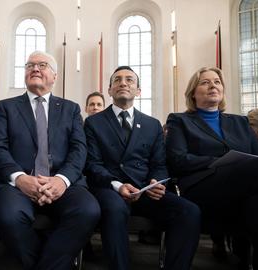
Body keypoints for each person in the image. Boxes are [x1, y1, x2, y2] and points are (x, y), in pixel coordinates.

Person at [0, 51, 100, 270]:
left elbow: (79, 149)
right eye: (30, 65)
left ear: (55, 76)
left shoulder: (70, 108)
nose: (35, 69)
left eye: (42, 65)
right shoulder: (6, 107)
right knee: (9, 217)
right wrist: (20, 178)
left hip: (63, 182)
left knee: (88, 210)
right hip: (17, 184)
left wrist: (62, 180)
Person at [84, 66, 200, 270]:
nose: (123, 83)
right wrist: (118, 185)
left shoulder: (152, 124)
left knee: (189, 211)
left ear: (138, 91)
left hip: (145, 190)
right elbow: (92, 164)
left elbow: (159, 164)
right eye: (117, 80)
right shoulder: (93, 123)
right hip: (110, 188)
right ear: (110, 90)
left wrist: (157, 181)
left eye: (129, 80)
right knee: (115, 208)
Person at [166, 66, 258, 270]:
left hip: (245, 187)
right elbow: (178, 160)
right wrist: (220, 160)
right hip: (203, 187)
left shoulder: (240, 122)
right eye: (205, 82)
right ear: (193, 92)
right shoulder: (180, 120)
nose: (213, 85)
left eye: (217, 82)